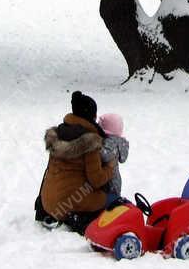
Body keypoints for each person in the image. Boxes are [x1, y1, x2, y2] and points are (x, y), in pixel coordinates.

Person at [36, 91, 114, 233]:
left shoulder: (58, 133)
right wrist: (110, 168)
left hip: (47, 202)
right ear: (92, 116)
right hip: (68, 204)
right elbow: (96, 179)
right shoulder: (90, 140)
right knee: (114, 199)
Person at [97, 113, 129, 205]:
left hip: (110, 185)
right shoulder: (117, 141)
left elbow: (104, 155)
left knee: (110, 206)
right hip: (113, 182)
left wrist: (94, 147)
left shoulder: (111, 142)